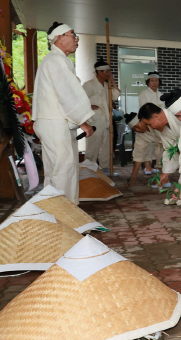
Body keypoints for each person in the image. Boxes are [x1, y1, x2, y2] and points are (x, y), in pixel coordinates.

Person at [32, 22, 94, 205]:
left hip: (55, 121)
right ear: (59, 38)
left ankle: (55, 211)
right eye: (72, 35)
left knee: (56, 169)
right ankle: (63, 215)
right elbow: (66, 94)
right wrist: (83, 121)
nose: (76, 40)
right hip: (54, 122)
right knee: (63, 168)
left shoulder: (57, 60)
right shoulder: (55, 61)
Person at [82, 60, 120, 171]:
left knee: (107, 145)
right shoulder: (89, 85)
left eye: (109, 71)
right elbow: (80, 100)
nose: (109, 73)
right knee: (93, 145)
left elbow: (115, 96)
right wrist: (89, 106)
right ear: (99, 72)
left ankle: (105, 168)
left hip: (107, 119)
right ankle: (89, 169)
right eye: (106, 71)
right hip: (95, 119)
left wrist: (112, 79)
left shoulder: (107, 86)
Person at [138, 71, 165, 175]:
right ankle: (148, 166)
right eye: (152, 81)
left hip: (159, 124)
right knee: (147, 145)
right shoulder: (144, 94)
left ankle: (158, 165)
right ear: (148, 82)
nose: (154, 83)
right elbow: (143, 108)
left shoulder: (161, 95)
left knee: (158, 145)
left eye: (156, 81)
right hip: (147, 122)